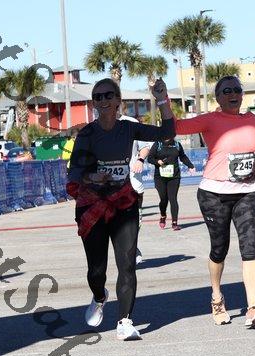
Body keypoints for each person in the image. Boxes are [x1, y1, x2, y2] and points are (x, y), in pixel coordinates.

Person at [172, 73, 255, 327]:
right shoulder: (210, 120)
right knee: (219, 249)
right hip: (213, 194)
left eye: (237, 90)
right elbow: (177, 127)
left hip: (246, 192)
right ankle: (217, 296)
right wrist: (163, 100)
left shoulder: (252, 120)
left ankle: (253, 306)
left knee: (250, 248)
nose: (233, 95)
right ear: (218, 98)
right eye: (227, 91)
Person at [67, 77, 174, 340]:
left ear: (117, 101)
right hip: (92, 206)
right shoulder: (87, 134)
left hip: (123, 203)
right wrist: (93, 177)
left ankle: (125, 321)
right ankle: (99, 296)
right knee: (97, 270)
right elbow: (75, 173)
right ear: (94, 103)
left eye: (108, 95)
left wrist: (162, 99)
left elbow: (167, 132)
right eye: (98, 97)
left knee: (127, 264)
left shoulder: (128, 128)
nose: (103, 100)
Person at [118, 111, 152, 265]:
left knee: (134, 223)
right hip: (110, 187)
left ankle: (132, 248)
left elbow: (145, 147)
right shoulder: (96, 126)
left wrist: (140, 160)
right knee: (118, 224)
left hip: (134, 184)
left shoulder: (131, 123)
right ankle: (130, 249)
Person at [147, 137, 195, 230]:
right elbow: (150, 158)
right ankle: (163, 215)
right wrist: (157, 161)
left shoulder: (177, 144)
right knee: (164, 199)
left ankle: (174, 222)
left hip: (174, 176)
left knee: (173, 198)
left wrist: (190, 165)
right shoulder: (158, 144)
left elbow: (182, 156)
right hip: (160, 177)